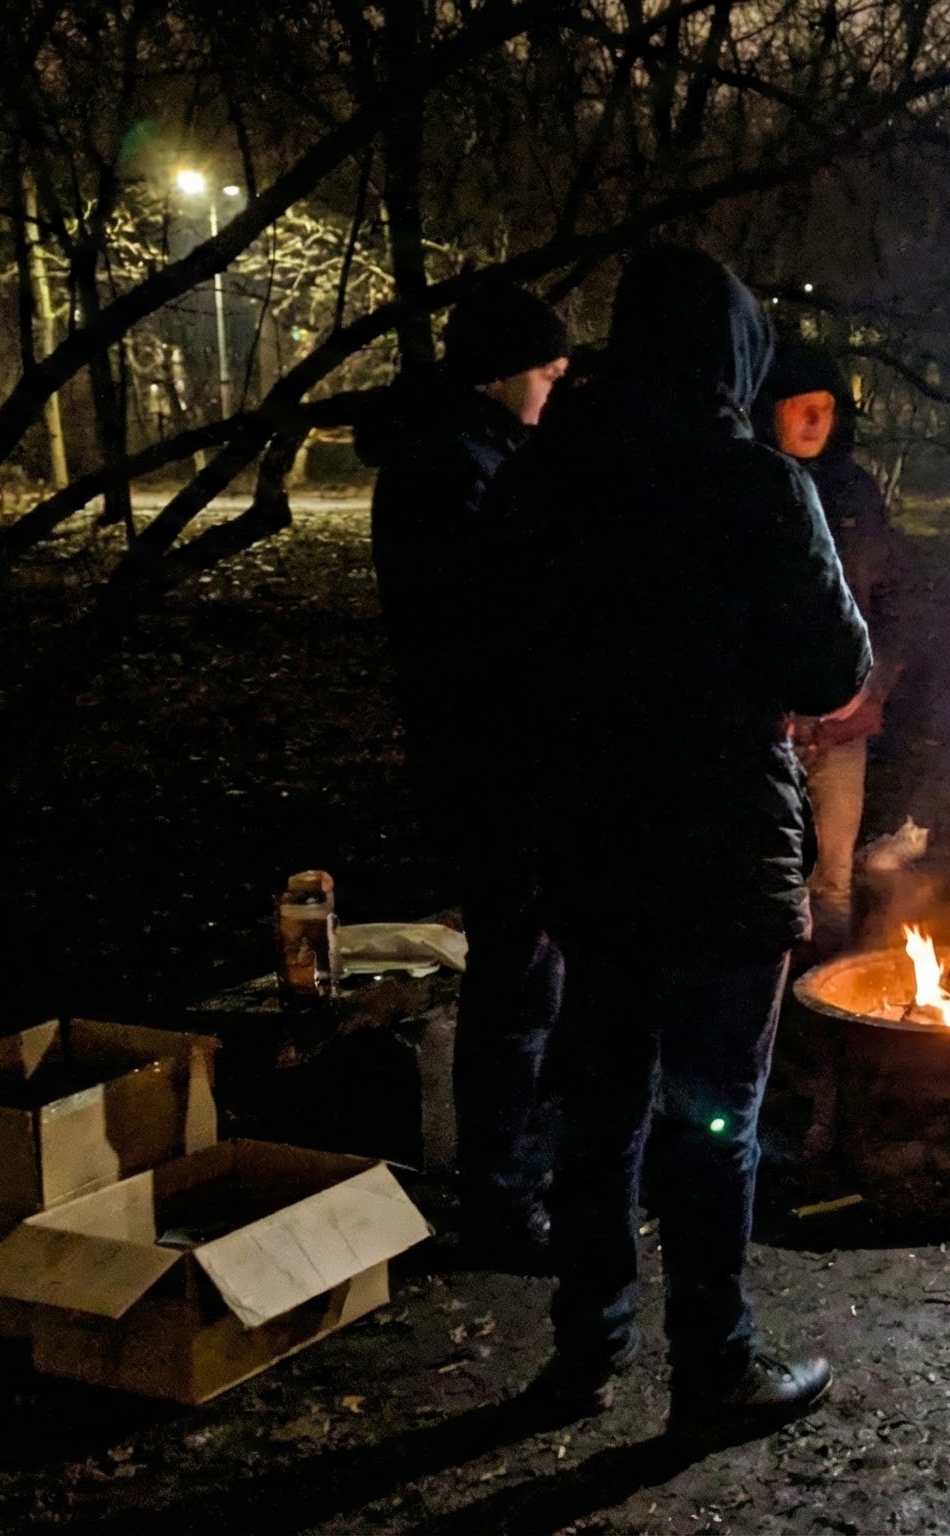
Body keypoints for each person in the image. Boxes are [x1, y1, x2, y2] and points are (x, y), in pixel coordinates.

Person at [499, 244, 870, 1431]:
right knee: (716, 1113)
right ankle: (712, 1366)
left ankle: (583, 1351)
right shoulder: (752, 481)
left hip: (589, 838)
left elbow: (489, 648)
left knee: (600, 1103)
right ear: (733, 352)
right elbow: (832, 665)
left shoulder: (542, 474)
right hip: (720, 846)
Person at [358, 276, 574, 1270]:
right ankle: (499, 1197)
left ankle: (518, 1172)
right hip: (497, 763)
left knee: (531, 971)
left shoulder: (470, 455)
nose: (557, 380)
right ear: (500, 373)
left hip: (500, 755)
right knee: (516, 978)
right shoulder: (453, 471)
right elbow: (501, 623)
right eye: (545, 366)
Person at [757, 342, 907, 955]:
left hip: (845, 719)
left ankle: (831, 1002)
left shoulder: (855, 493)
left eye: (824, 408)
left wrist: (879, 689)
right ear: (773, 410)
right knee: (770, 875)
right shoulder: (752, 485)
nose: (814, 422)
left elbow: (892, 602)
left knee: (835, 877)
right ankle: (781, 1011)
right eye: (801, 408)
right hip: (769, 723)